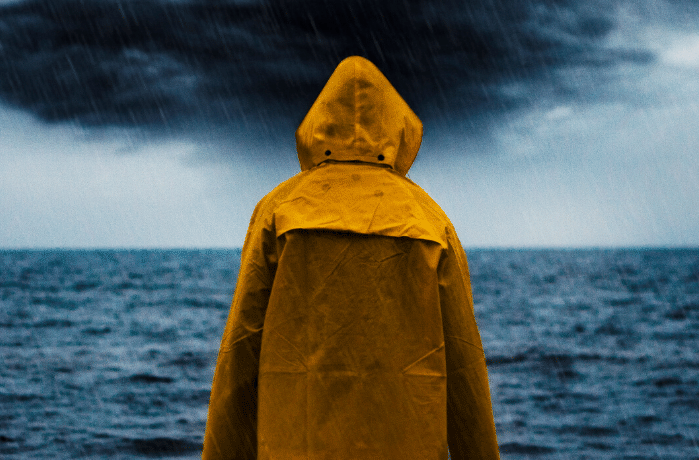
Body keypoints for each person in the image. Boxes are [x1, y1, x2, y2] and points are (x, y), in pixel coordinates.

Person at [202, 56, 502, 460]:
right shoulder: (429, 219)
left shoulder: (278, 210)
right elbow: (464, 363)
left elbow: (240, 352)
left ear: (319, 124)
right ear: (396, 128)